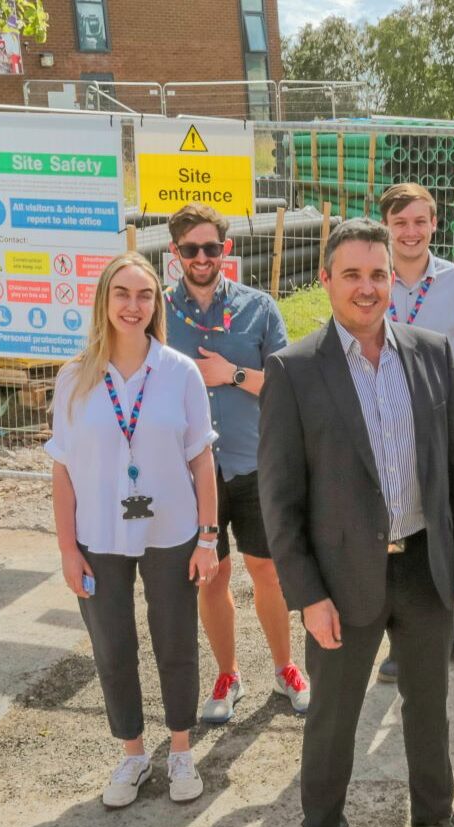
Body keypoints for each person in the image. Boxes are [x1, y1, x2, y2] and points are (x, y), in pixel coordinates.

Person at [256, 219, 454, 827]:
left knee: (429, 703)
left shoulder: (433, 352)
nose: (366, 286)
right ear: (325, 280)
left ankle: (434, 813)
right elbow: (280, 500)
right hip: (340, 581)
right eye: (351, 273)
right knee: (332, 717)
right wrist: (307, 593)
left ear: (394, 279)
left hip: (424, 566)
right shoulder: (293, 371)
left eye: (378, 274)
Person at [47, 252, 220, 809]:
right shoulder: (74, 378)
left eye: (144, 295)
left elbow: (201, 461)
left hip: (171, 531)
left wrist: (209, 537)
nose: (132, 305)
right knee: (112, 646)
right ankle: (132, 753)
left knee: (176, 641)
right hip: (99, 538)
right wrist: (68, 549)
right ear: (104, 301)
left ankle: (181, 751)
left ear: (156, 304)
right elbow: (63, 470)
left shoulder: (180, 371)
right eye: (122, 293)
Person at [159, 203, 309, 723]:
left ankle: (287, 667)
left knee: (267, 570)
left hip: (252, 464)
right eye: (190, 249)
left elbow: (288, 386)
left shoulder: (259, 308)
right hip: (192, 472)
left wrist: (230, 375)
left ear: (226, 250)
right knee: (213, 577)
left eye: (211, 247)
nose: (202, 257)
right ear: (175, 253)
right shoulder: (158, 313)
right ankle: (228, 674)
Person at [377, 182, 454, 683]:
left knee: (449, 528)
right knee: (394, 533)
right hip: (384, 427)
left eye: (419, 221)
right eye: (401, 222)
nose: (410, 231)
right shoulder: (369, 278)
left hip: (445, 428)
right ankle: (401, 643)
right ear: (387, 225)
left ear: (434, 222)